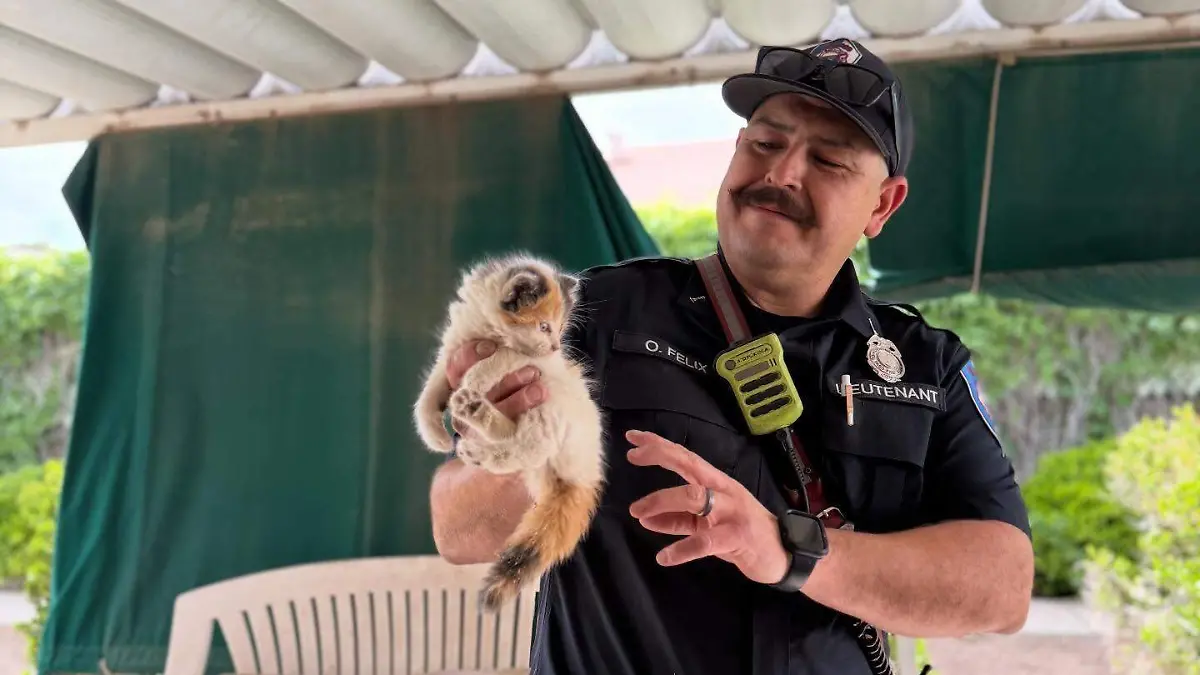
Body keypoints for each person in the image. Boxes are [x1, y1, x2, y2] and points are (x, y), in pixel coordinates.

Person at [428, 38, 1034, 675]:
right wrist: (520, 455)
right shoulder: (595, 315)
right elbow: (456, 529)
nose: (782, 173)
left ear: (882, 205)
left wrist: (790, 550)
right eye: (765, 144)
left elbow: (1002, 588)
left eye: (828, 159)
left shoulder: (925, 364)